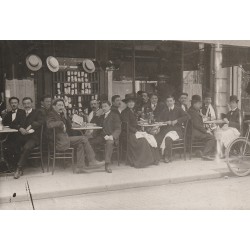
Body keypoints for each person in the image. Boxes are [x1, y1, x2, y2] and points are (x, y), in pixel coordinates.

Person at [47, 99, 103, 174]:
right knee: (83, 138)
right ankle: (92, 160)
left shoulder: (60, 114)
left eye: (62, 105)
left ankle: (80, 168)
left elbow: (69, 127)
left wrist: (66, 116)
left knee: (81, 143)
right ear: (54, 106)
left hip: (64, 138)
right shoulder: (51, 114)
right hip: (59, 141)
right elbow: (49, 124)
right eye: (59, 105)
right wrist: (61, 123)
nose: (61, 107)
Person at [121, 94, 160, 167]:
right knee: (143, 140)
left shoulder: (132, 111)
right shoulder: (125, 112)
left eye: (132, 102)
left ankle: (154, 159)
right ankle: (142, 161)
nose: (131, 103)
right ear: (126, 103)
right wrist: (136, 131)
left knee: (149, 137)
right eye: (129, 102)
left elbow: (134, 123)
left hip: (134, 131)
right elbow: (126, 125)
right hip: (128, 133)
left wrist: (139, 129)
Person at [14, 97, 44, 179]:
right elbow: (14, 123)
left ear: (31, 103)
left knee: (26, 147)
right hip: (23, 136)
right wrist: (20, 128)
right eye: (24, 104)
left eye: (28, 103)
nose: (26, 105)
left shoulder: (37, 112)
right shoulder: (20, 113)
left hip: (34, 137)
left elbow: (41, 122)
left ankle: (19, 168)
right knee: (12, 144)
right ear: (22, 105)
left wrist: (31, 125)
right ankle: (14, 166)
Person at [155, 95, 189, 163]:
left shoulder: (178, 109)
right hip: (166, 129)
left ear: (174, 101)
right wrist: (165, 122)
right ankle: (157, 157)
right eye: (167, 101)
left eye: (171, 101)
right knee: (157, 137)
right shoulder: (164, 110)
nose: (169, 102)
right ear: (166, 102)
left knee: (168, 138)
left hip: (176, 130)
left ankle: (168, 156)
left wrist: (176, 120)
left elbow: (187, 116)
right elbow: (158, 119)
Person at [90, 101, 121, 173]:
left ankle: (107, 164)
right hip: (102, 136)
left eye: (105, 106)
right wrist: (97, 115)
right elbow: (93, 123)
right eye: (102, 106)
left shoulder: (115, 115)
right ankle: (92, 161)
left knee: (109, 143)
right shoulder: (101, 116)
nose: (103, 108)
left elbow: (118, 128)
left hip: (111, 137)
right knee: (89, 141)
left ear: (110, 106)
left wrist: (112, 136)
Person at [188, 95, 216, 161]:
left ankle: (202, 151)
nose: (200, 105)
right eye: (199, 104)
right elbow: (197, 125)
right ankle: (206, 154)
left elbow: (198, 124)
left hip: (193, 131)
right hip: (194, 132)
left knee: (209, 134)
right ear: (195, 104)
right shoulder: (193, 112)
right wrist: (206, 131)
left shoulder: (192, 110)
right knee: (211, 137)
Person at [2, 97, 26, 169]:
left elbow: (21, 123)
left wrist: (12, 125)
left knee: (15, 145)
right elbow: (4, 123)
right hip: (10, 136)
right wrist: (3, 115)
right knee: (4, 146)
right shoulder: (8, 114)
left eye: (15, 103)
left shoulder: (22, 112)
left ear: (18, 104)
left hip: (20, 135)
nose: (14, 104)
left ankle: (18, 165)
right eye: (12, 103)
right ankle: (9, 164)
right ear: (10, 104)